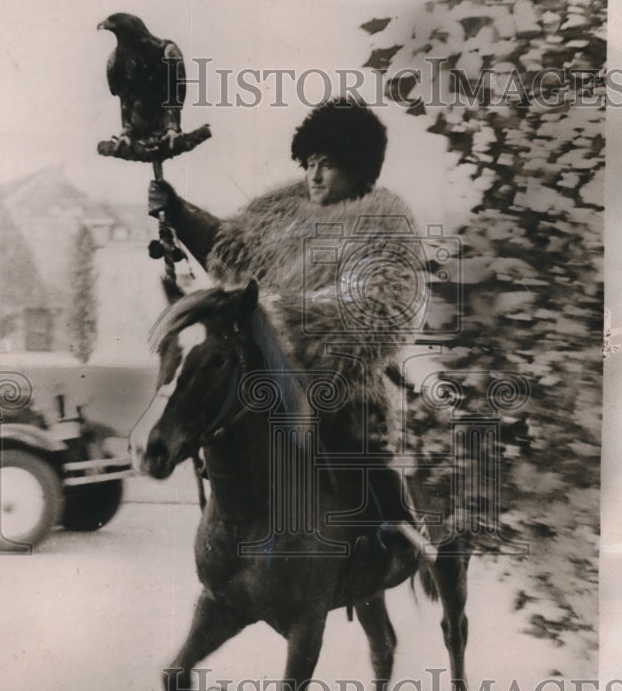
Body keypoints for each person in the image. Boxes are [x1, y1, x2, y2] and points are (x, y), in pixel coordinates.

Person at [149, 97, 427, 563]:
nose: (315, 176)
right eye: (311, 164)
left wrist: (281, 309)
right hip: (268, 369)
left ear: (359, 170)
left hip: (340, 382)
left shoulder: (387, 227)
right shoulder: (285, 213)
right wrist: (176, 210)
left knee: (360, 448)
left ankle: (398, 536)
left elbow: (383, 303)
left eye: (329, 165)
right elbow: (229, 249)